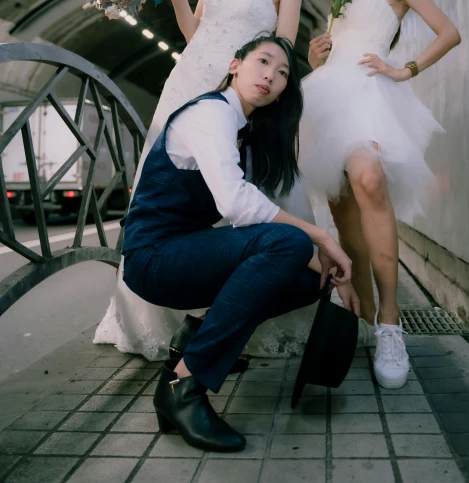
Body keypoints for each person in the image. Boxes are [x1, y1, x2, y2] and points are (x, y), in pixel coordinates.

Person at [94, 0, 310, 360]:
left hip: (243, 89)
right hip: (192, 83)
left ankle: (229, 316)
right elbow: (197, 36)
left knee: (242, 188)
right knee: (176, 193)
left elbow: (283, 48)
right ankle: (170, 318)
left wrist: (260, 87)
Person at [121, 35, 358, 452]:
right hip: (153, 258)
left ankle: (190, 346)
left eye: (283, 72)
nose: (270, 75)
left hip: (188, 253)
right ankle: (186, 385)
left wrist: (332, 270)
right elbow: (237, 204)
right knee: (290, 245)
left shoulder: (247, 135)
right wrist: (320, 237)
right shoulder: (210, 114)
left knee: (308, 281)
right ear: (235, 65)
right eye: (262, 62)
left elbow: (282, 206)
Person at [301, 0, 461, 389]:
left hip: (371, 90)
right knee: (342, 207)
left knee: (368, 180)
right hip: (329, 94)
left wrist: (403, 70)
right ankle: (366, 319)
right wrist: (317, 58)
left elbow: (448, 33)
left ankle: (391, 323)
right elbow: (336, 51)